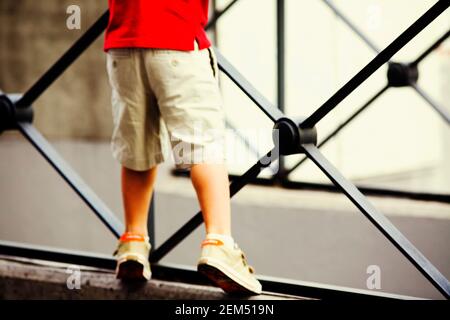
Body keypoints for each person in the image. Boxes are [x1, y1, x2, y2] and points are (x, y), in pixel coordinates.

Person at [104, 0, 261, 295]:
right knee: (204, 147)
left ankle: (133, 242)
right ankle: (218, 243)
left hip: (123, 45)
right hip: (177, 38)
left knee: (136, 147)